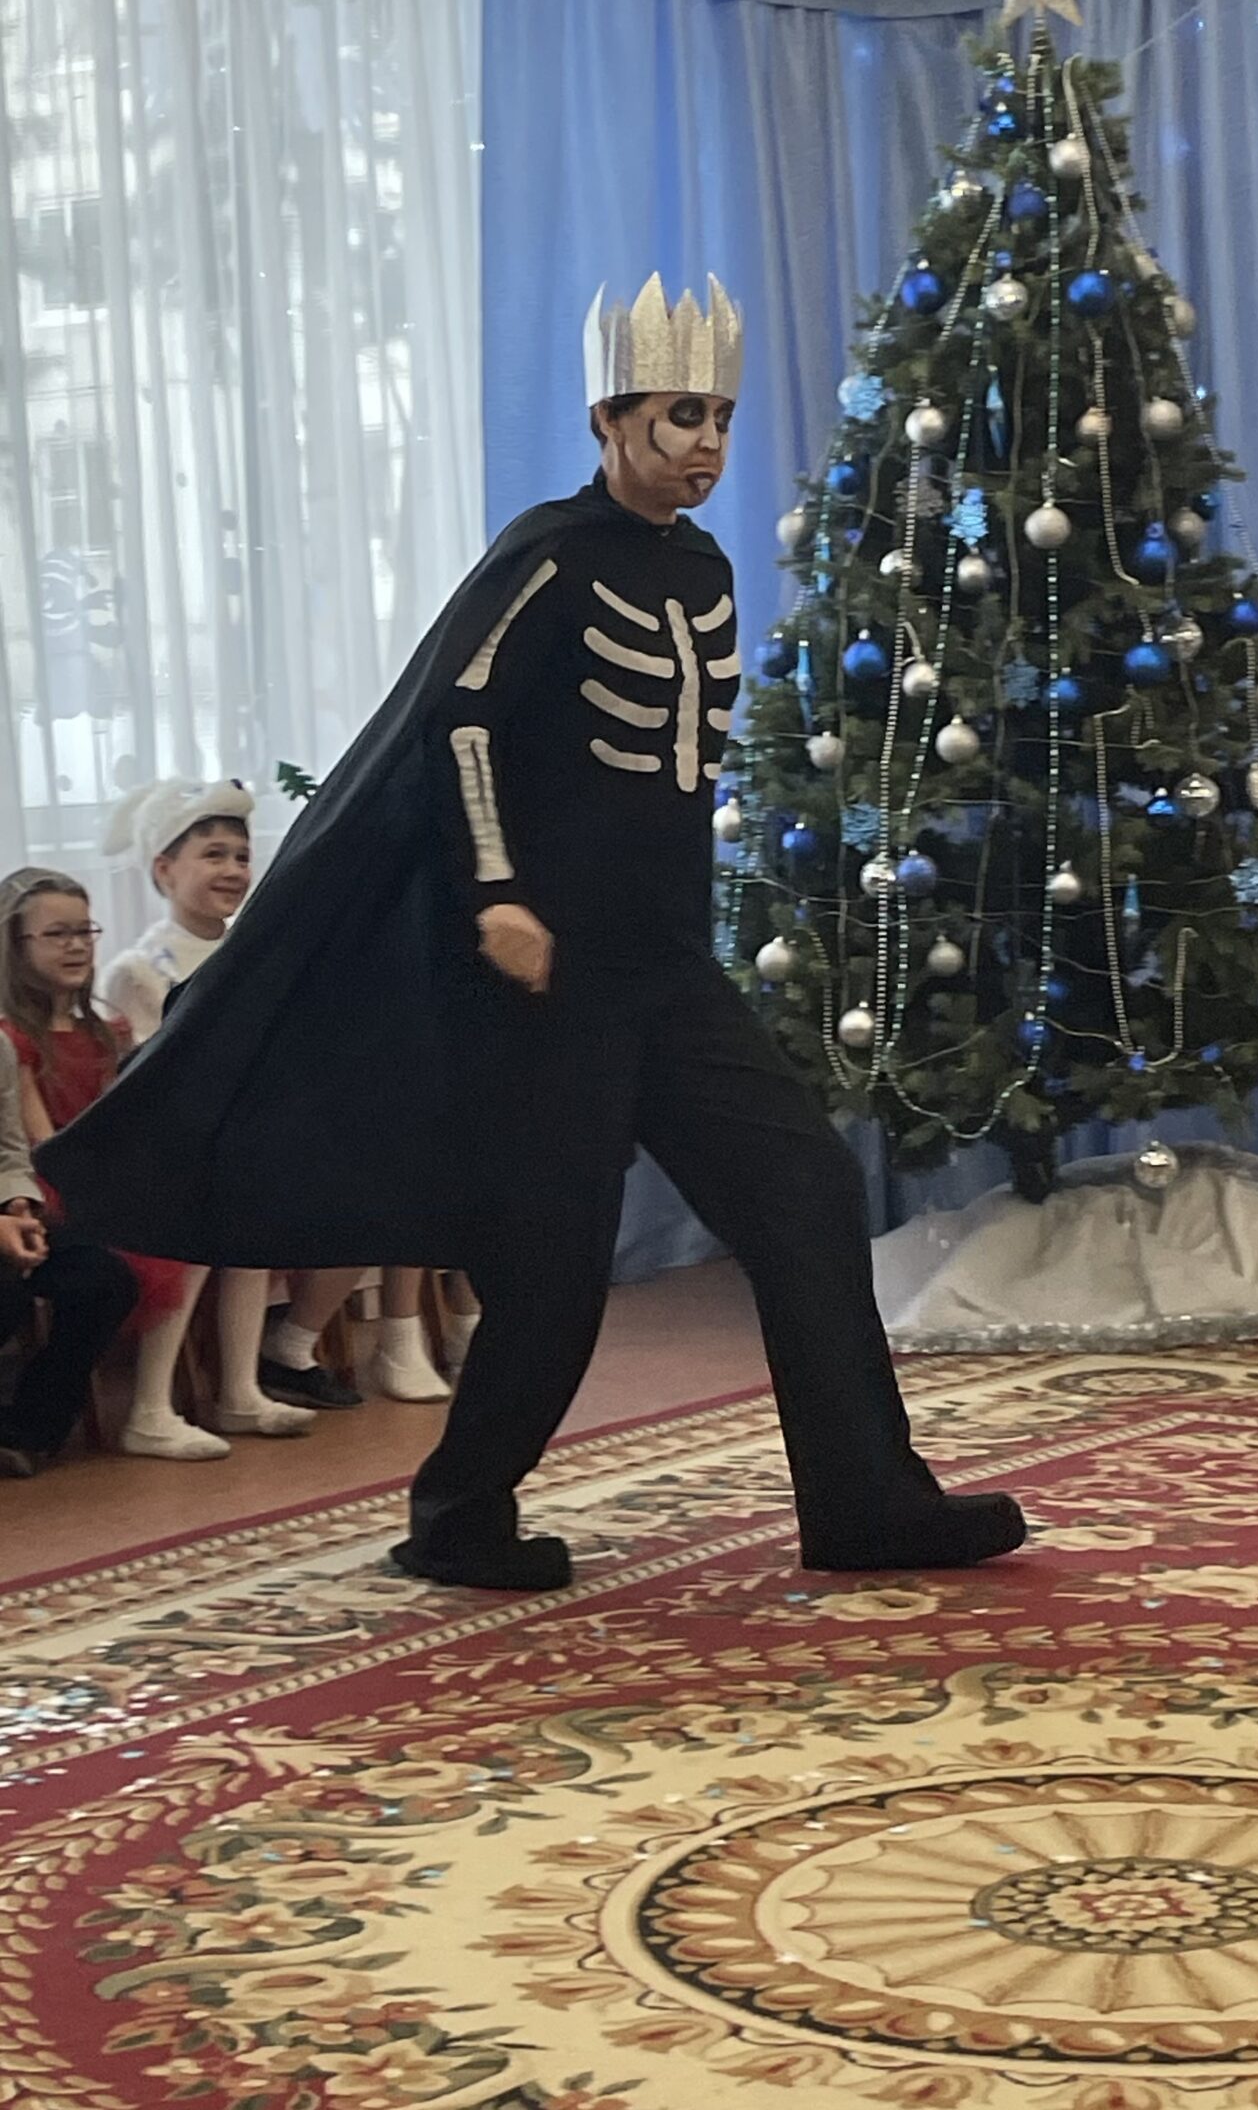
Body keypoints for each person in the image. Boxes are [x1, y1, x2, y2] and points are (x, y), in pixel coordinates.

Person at [37, 274, 1026, 1589]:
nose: (706, 444)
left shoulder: (702, 564)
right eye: (680, 414)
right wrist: (498, 894)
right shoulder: (548, 552)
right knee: (553, 1254)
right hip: (545, 978)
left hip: (667, 968)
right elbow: (456, 723)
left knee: (803, 1190)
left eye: (722, 418)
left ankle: (865, 1502)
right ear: (609, 418)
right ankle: (457, 1516)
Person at [100, 780, 315, 1456]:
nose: (232, 870)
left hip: (239, 1140)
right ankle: (149, 1405)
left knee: (251, 1229)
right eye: (213, 855)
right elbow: (141, 1077)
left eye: (241, 857)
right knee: (190, 1226)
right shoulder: (139, 967)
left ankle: (240, 1391)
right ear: (165, 868)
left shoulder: (249, 951)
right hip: (162, 1152)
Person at [0, 885, 138, 1476]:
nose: (77, 945)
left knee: (104, 1281)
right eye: (58, 934)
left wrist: (17, 1204)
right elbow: (40, 1140)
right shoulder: (15, 1035)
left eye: (84, 931)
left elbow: (10, 1148)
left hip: (17, 1208)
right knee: (6, 1291)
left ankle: (27, 1431)